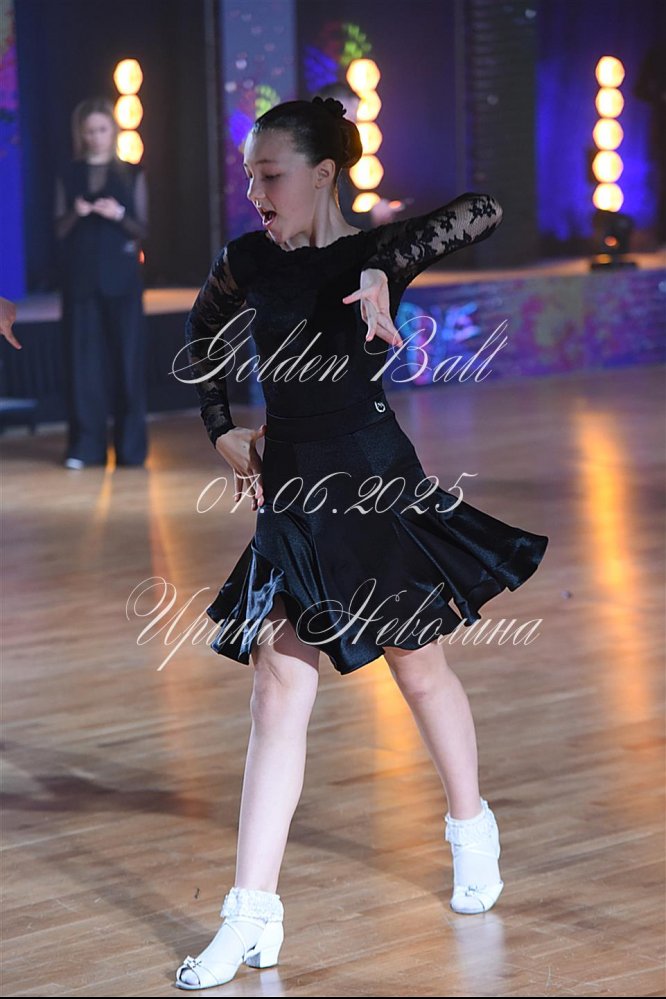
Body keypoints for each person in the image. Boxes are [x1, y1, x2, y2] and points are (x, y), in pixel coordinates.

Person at [175, 96, 549, 989]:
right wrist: (222, 429)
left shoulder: (371, 254)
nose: (255, 192)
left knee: (419, 669)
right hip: (292, 495)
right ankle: (251, 913)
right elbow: (202, 334)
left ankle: (471, 824)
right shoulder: (247, 260)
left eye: (270, 176)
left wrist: (382, 263)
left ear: (322, 174)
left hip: (376, 485)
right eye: (249, 176)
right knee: (276, 692)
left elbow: (485, 209)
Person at [54, 97, 149, 469]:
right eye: (89, 131)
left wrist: (118, 213)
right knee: (83, 365)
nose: (95, 137)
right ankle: (86, 446)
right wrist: (76, 213)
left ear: (113, 131)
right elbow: (58, 229)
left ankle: (131, 449)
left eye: (102, 129)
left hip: (122, 279)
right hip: (80, 280)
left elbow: (142, 229)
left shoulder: (132, 173)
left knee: (128, 362)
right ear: (81, 134)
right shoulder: (68, 173)